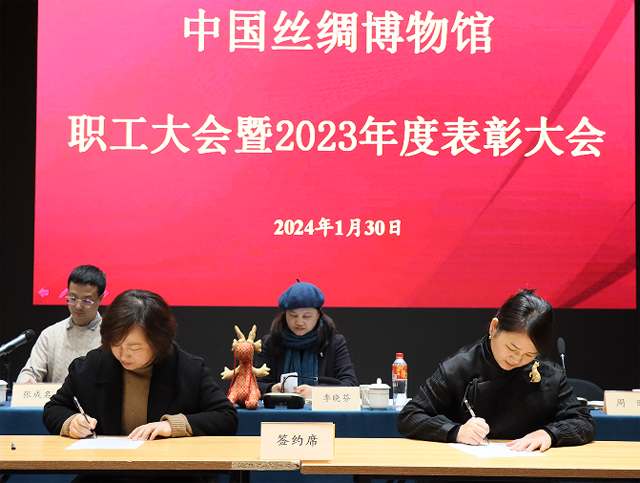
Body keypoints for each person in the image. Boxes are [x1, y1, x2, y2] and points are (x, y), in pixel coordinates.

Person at [397, 289, 595, 452]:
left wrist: (550, 434)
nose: (517, 359)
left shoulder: (548, 373)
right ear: (494, 328)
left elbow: (583, 422)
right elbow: (410, 416)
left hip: (528, 472)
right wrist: (455, 431)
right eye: (511, 348)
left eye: (529, 354)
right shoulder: (458, 367)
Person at [43, 289, 238, 440]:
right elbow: (54, 409)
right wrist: (72, 422)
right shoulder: (91, 366)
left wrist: (173, 426)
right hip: (106, 471)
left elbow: (226, 417)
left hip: (170, 472)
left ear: (159, 342)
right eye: (116, 343)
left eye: (134, 348)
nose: (123, 354)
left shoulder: (188, 369)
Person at [255, 280, 358, 399]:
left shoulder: (333, 342)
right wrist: (272, 389)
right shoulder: (271, 342)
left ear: (318, 315)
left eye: (307, 316)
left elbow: (350, 385)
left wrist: (316, 392)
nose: (299, 322)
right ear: (285, 314)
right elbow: (255, 385)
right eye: (293, 315)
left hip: (321, 410)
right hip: (282, 409)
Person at [16, 265, 106, 384]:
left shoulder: (111, 335)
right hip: (57, 397)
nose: (78, 306)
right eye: (73, 298)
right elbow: (30, 371)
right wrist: (27, 381)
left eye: (86, 301)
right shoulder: (51, 334)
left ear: (100, 298)